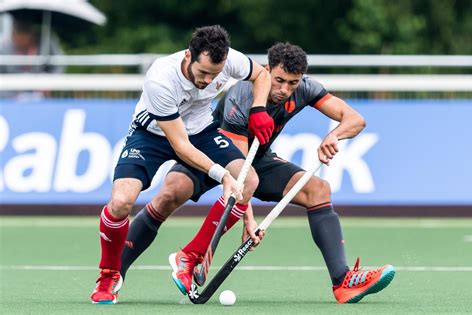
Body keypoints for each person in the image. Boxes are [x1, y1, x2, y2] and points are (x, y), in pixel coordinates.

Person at [120, 42, 395, 304]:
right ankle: (116, 273)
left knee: (318, 190)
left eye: (293, 83)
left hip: (259, 159)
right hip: (215, 151)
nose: (285, 90)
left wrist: (334, 136)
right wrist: (247, 220)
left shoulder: (306, 88)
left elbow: (355, 119)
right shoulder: (242, 94)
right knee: (171, 191)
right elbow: (240, 168)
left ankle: (343, 281)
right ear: (267, 69)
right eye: (279, 80)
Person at [90, 25, 274, 305]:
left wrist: (258, 109)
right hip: (152, 135)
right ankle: (109, 274)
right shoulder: (161, 79)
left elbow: (261, 74)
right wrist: (221, 174)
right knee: (121, 201)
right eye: (203, 73)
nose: (209, 80)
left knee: (248, 181)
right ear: (189, 56)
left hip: (201, 130)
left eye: (215, 75)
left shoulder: (230, 60)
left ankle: (189, 257)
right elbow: (181, 146)